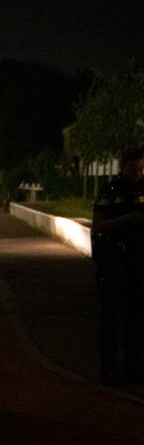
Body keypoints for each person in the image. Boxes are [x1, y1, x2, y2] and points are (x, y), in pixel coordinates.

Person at [91, 145, 144, 383]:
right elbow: (98, 225)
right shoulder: (110, 191)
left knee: (137, 316)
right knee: (111, 315)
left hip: (138, 263)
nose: (137, 174)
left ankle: (133, 364)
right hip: (113, 263)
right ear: (122, 167)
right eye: (133, 169)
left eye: (140, 169)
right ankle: (108, 364)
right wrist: (129, 219)